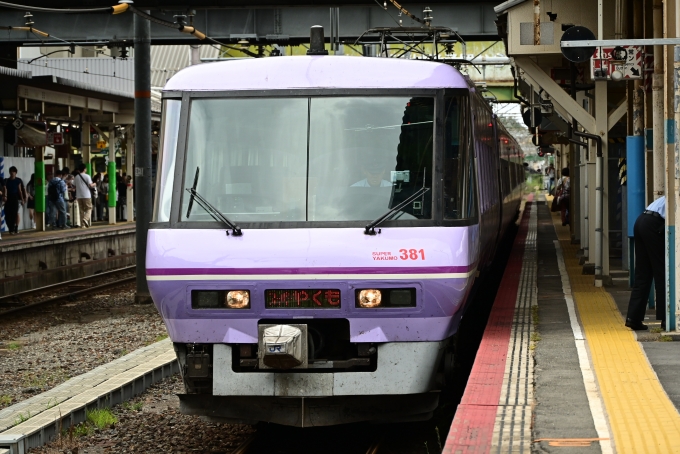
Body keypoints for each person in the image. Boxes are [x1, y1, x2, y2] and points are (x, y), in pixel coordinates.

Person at [625, 196, 666, 331]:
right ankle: (666, 318)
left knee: (643, 273)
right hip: (655, 224)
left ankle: (633, 318)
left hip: (642, 220)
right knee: (663, 272)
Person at [3, 166, 26, 234]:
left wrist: (22, 199)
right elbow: (4, 189)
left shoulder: (18, 181)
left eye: (14, 171)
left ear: (16, 173)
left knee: (14, 213)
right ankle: (11, 227)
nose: (12, 173)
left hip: (15, 197)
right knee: (7, 213)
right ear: (9, 172)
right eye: (11, 171)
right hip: (8, 198)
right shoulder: (6, 180)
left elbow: (20, 191)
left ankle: (12, 228)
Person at [75, 163, 96, 228]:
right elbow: (90, 185)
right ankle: (85, 219)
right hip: (86, 195)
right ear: (84, 169)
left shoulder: (76, 177)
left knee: (81, 210)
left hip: (79, 195)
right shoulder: (87, 176)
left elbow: (74, 185)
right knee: (89, 208)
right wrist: (94, 184)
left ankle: (82, 225)